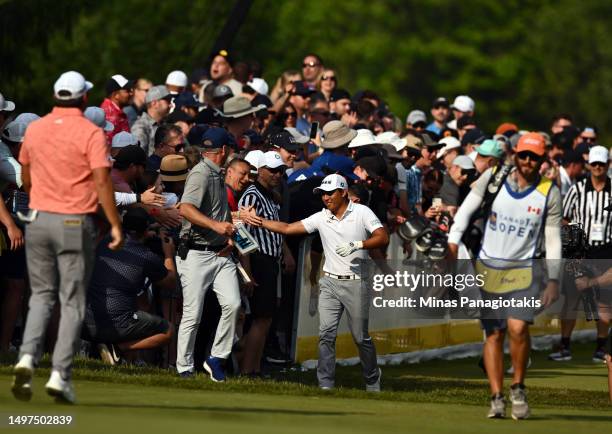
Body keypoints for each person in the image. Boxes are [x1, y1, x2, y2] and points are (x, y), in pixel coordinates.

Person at [11, 71, 123, 404]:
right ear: (83, 98)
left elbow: (26, 177)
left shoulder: (35, 128)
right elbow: (103, 182)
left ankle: (27, 358)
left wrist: (42, 200)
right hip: (75, 222)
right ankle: (60, 374)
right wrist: (115, 224)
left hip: (39, 220)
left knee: (41, 296)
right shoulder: (90, 132)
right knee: (71, 299)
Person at [447, 132, 562, 419]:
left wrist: (554, 279)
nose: (527, 161)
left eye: (533, 157)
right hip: (488, 267)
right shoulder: (494, 177)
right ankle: (496, 396)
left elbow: (553, 239)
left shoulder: (549, 192)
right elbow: (466, 210)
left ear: (542, 159)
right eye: (523, 155)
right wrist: (452, 240)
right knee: (494, 334)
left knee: (518, 329)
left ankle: (518, 387)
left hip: (525, 270)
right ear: (515, 155)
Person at [242, 173, 388, 391]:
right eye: (322, 194)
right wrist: (259, 221)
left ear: (343, 193)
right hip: (329, 283)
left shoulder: (361, 212)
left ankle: (372, 377)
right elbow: (288, 228)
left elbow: (382, 236)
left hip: (356, 283)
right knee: (326, 335)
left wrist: (358, 245)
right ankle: (325, 383)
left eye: (330, 193)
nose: (326, 198)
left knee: (360, 337)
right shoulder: (321, 217)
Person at [175, 127, 253, 381]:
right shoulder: (200, 174)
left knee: (232, 304)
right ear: (223, 151)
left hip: (220, 253)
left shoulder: (215, 173)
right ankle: (183, 367)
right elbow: (185, 208)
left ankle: (216, 357)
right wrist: (215, 225)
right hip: (196, 253)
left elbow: (217, 215)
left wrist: (228, 229)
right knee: (192, 314)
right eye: (230, 149)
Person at [82, 207, 175, 364]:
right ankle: (120, 348)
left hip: (85, 324)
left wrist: (146, 232)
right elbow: (170, 282)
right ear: (145, 231)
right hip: (117, 326)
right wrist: (168, 254)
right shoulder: (146, 256)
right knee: (168, 330)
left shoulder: (106, 241)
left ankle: (111, 348)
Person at [549, 146, 612, 363]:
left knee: (604, 300)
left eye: (601, 164)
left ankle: (601, 347)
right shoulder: (577, 190)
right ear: (588, 165)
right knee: (572, 298)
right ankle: (565, 345)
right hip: (580, 247)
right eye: (594, 163)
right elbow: (565, 220)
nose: (597, 167)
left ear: (607, 165)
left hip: (605, 248)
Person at [238, 151, 287, 375]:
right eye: (273, 170)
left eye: (281, 171)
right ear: (261, 170)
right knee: (261, 318)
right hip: (258, 260)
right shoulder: (252, 195)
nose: (277, 175)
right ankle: (248, 370)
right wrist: (247, 270)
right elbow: (242, 233)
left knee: (266, 318)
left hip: (269, 260)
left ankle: (254, 367)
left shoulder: (269, 195)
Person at [132, 85, 172, 156]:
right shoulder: (140, 127)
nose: (171, 105)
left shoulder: (165, 124)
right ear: (154, 103)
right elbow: (138, 157)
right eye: (167, 101)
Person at [100, 74, 133, 142]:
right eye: (127, 91)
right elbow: (109, 146)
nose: (131, 93)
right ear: (116, 95)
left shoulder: (113, 111)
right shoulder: (110, 114)